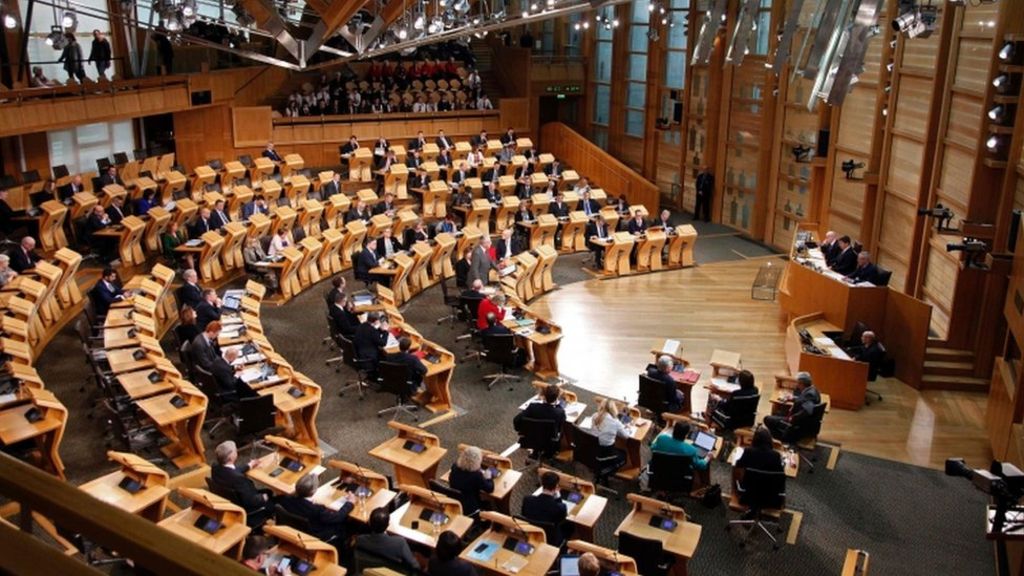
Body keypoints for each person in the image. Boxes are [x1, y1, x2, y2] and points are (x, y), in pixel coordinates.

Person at [277, 474, 355, 545]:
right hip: (320, 534)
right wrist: (350, 503)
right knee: (348, 521)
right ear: (312, 492)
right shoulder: (317, 510)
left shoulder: (285, 499)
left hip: (297, 530)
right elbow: (337, 517)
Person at [210, 440, 274, 516]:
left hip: (230, 501)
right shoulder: (238, 479)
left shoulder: (215, 468)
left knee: (268, 491)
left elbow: (232, 471)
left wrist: (249, 465)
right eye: (235, 450)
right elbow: (251, 501)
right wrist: (264, 497)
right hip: (249, 508)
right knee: (273, 496)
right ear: (231, 457)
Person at [763, 371, 821, 442]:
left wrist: (792, 418)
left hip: (796, 425)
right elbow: (804, 400)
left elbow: (807, 411)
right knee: (778, 413)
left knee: (767, 419)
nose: (796, 384)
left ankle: (784, 437)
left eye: (798, 383)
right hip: (801, 422)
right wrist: (793, 398)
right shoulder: (813, 390)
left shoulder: (810, 395)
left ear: (801, 383)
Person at [520, 471, 568, 545]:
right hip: (550, 539)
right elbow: (561, 520)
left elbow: (523, 514)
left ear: (542, 484)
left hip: (531, 533)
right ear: (556, 487)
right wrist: (558, 498)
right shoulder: (560, 507)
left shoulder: (527, 500)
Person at [513, 384, 566, 450]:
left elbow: (516, 419)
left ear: (544, 395)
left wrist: (520, 430)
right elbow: (561, 428)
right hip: (549, 442)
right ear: (556, 398)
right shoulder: (559, 412)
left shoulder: (532, 407)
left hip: (530, 438)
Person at [447, 446, 495, 518]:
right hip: (470, 507)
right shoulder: (476, 475)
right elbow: (489, 489)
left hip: (455, 502)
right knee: (489, 503)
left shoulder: (455, 466)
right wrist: (488, 478)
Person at [590, 399, 629, 471]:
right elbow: (626, 436)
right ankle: (609, 470)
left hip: (593, 452)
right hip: (605, 455)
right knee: (624, 455)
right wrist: (627, 428)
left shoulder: (594, 416)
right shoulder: (615, 421)